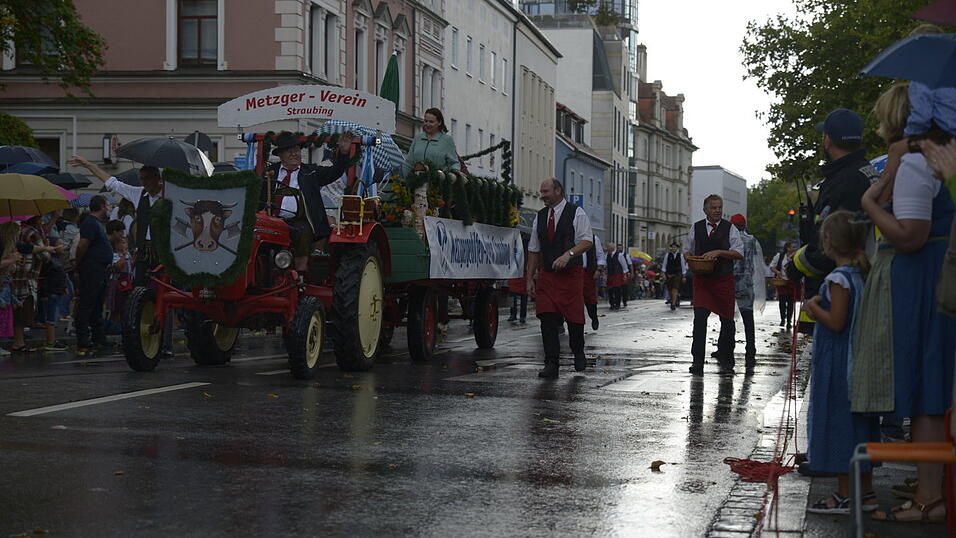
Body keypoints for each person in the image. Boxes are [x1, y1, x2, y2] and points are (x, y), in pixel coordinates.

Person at [854, 83, 956, 523]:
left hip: (922, 282)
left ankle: (930, 498)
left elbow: (910, 236)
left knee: (928, 388)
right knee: (929, 386)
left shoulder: (916, 162)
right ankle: (931, 490)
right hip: (930, 277)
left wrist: (868, 202)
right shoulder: (924, 157)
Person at [802, 211, 880, 515]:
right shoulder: (860, 273)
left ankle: (845, 495)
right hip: (856, 358)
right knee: (860, 427)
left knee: (838, 425)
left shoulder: (837, 278)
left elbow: (836, 322)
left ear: (829, 241)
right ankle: (867, 492)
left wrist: (813, 308)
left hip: (837, 362)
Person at [786, 108, 879, 334]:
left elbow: (831, 242)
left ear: (827, 140)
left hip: (838, 296)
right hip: (862, 282)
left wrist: (794, 267)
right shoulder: (866, 171)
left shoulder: (844, 182)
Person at [526, 178, 593, 379]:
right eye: (541, 191)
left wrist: (568, 255)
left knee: (574, 320)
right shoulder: (540, 216)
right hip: (547, 275)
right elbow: (534, 250)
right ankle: (551, 363)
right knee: (546, 318)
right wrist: (529, 279)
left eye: (545, 191)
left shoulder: (576, 212)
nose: (542, 195)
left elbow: (587, 240)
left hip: (570, 275)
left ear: (558, 191)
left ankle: (578, 351)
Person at [263, 130, 354, 272]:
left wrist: (343, 153)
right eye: (289, 151)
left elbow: (335, 172)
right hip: (272, 220)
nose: (294, 154)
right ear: (280, 155)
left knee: (303, 232)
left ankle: (300, 276)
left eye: (297, 150)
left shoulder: (310, 172)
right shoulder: (269, 173)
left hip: (300, 220)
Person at [684, 194, 743, 375]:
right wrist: (691, 260)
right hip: (702, 280)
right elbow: (687, 251)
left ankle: (727, 361)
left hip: (723, 280)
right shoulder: (696, 228)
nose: (717, 210)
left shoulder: (730, 228)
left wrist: (719, 252)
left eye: (719, 207)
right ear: (705, 210)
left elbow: (739, 252)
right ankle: (697, 362)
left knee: (727, 321)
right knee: (699, 319)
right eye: (714, 207)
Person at [73, 195, 114, 355]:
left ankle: (99, 337)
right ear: (102, 206)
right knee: (87, 303)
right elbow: (83, 245)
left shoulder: (98, 224)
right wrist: (78, 264)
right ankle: (83, 339)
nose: (109, 208)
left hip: (100, 268)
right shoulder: (90, 223)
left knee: (97, 304)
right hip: (92, 268)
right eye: (108, 205)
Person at [729, 214, 765, 373]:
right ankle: (751, 349)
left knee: (727, 317)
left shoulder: (729, 239)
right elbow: (757, 264)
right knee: (748, 318)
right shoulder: (751, 240)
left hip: (730, 280)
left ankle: (726, 348)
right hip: (746, 281)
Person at [401, 108, 461, 176]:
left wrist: (453, 175)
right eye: (426, 121)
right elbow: (409, 162)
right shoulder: (418, 138)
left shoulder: (447, 140)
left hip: (438, 182)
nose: (428, 124)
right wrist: (406, 181)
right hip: (416, 182)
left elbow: (454, 163)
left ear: (439, 122)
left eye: (431, 122)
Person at [770, 242, 798, 330]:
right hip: (781, 281)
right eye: (792, 247)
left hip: (791, 281)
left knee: (791, 302)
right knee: (782, 301)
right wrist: (777, 272)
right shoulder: (780, 256)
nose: (793, 249)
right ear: (787, 248)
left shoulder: (797, 257)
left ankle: (789, 321)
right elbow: (772, 266)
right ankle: (783, 318)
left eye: (794, 247)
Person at [582, 233, 606, 330]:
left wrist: (599, 270)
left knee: (590, 298)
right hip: (573, 271)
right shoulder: (569, 235)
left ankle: (594, 317)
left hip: (588, 272)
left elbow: (600, 256)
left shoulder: (593, 238)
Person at [662, 242, 687, 311]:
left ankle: (673, 304)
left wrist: (684, 275)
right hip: (669, 274)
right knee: (670, 289)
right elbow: (664, 265)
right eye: (672, 247)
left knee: (675, 288)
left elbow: (683, 266)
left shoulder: (680, 256)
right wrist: (663, 274)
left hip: (677, 274)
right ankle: (672, 300)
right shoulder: (667, 255)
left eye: (675, 247)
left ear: (677, 248)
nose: (673, 248)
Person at [606, 243, 629, 310]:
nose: (607, 249)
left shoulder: (619, 255)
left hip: (617, 274)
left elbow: (624, 266)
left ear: (612, 248)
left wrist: (625, 275)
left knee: (617, 290)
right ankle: (612, 304)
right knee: (610, 290)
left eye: (608, 247)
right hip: (610, 275)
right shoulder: (607, 255)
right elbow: (605, 265)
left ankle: (617, 304)